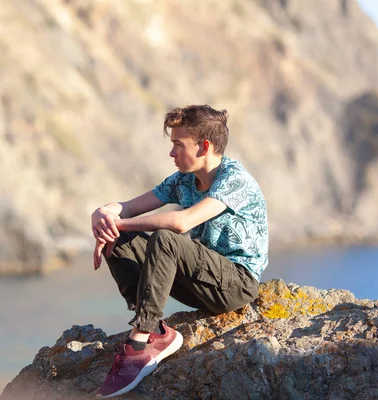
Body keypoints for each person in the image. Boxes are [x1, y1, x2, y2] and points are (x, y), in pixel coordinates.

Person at [91, 105, 268, 398]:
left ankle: (139, 343)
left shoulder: (234, 180)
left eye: (177, 145)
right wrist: (102, 216)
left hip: (236, 284)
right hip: (199, 279)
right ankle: (157, 331)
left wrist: (117, 223)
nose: (171, 153)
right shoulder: (183, 180)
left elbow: (181, 221)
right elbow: (129, 206)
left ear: (204, 147)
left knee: (164, 236)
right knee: (120, 236)